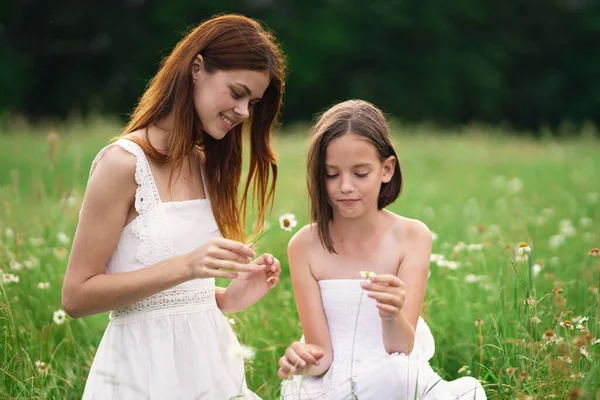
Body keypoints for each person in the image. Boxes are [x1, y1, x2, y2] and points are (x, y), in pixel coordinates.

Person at [61, 14, 286, 399]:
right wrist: (187, 265)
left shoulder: (208, 166)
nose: (245, 112)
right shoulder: (123, 164)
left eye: (253, 102)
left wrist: (226, 298)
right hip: (143, 374)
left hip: (212, 368)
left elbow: (178, 297)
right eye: (237, 92)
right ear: (197, 68)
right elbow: (76, 297)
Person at [277, 100, 486, 399]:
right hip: (334, 382)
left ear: (386, 169)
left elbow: (402, 348)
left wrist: (392, 314)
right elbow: (321, 356)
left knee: (400, 376)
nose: (345, 186)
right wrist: (300, 360)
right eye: (331, 174)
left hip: (393, 373)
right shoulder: (304, 245)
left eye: (360, 173)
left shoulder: (412, 237)